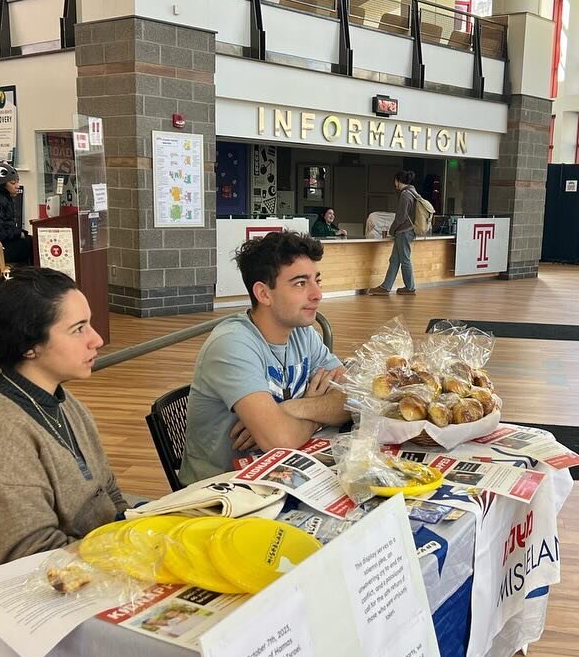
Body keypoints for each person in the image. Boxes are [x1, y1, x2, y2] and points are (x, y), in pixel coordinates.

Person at [0, 267, 126, 583]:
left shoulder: (59, 399)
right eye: (78, 329)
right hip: (33, 598)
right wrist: (124, 550)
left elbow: (109, 493)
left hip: (87, 568)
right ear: (29, 346)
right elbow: (32, 561)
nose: (97, 339)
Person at [180, 231, 349, 484]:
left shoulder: (303, 334)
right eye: (301, 283)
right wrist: (315, 417)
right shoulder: (232, 343)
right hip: (224, 492)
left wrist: (292, 408)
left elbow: (352, 399)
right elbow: (279, 441)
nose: (317, 294)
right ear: (264, 294)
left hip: (278, 477)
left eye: (317, 280)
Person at [366, 170, 421, 295]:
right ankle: (386, 286)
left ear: (398, 181)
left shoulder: (405, 195)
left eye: (395, 181)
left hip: (404, 232)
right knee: (394, 260)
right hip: (407, 231)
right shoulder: (413, 192)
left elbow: (400, 217)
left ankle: (410, 287)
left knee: (405, 260)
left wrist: (392, 230)